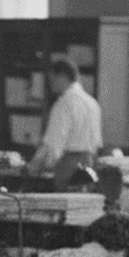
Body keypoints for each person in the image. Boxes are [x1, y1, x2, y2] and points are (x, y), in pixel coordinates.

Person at [27, 59, 103, 189]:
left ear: (62, 77)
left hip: (70, 168)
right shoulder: (93, 103)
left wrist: (35, 165)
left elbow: (53, 143)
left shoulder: (64, 104)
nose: (50, 85)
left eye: (52, 80)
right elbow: (97, 142)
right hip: (90, 166)